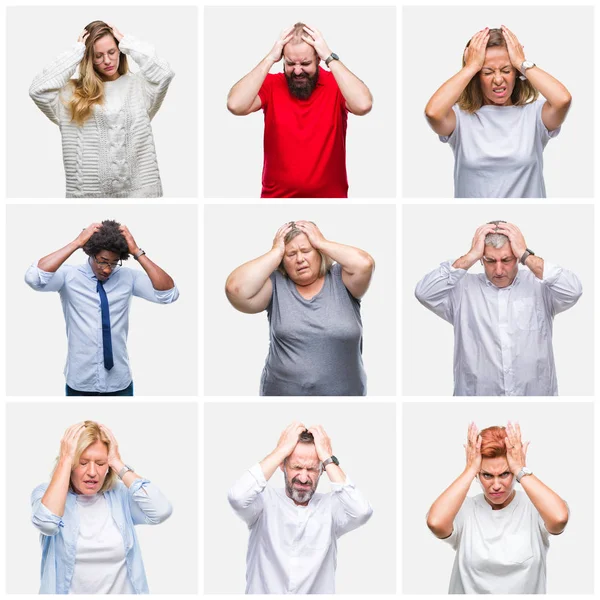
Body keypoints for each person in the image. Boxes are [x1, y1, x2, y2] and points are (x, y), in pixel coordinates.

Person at [415, 221, 582, 396]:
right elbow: (424, 292)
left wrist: (526, 255)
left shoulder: (539, 286)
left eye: (507, 260)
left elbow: (573, 290)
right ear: (481, 259)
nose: (499, 270)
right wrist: (470, 256)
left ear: (517, 257)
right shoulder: (461, 291)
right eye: (490, 261)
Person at [25, 220, 179, 395]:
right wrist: (76, 243)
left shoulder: (128, 277)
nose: (107, 269)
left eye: (114, 263)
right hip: (80, 382)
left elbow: (169, 294)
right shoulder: (69, 276)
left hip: (119, 383)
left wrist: (137, 252)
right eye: (102, 261)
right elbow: (34, 279)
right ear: (91, 254)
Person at [225, 220, 374, 395]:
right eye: (291, 254)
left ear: (319, 253)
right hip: (281, 398)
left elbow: (365, 264)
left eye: (306, 251)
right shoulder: (275, 284)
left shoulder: (342, 278)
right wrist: (276, 252)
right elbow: (235, 289)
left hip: (346, 399)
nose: (300, 259)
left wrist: (321, 242)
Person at [227, 22, 373, 198]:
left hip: (331, 200)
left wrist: (329, 56)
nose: (297, 71)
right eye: (290, 63)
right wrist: (269, 58)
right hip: (276, 199)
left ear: (318, 59)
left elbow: (363, 105)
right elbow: (235, 105)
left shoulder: (337, 85)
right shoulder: (272, 85)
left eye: (305, 63)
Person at [29, 21, 174, 198]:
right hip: (88, 196)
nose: (107, 60)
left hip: (141, 194)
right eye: (98, 56)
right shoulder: (70, 95)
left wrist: (128, 42)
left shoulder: (139, 87)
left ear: (120, 50)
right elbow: (38, 90)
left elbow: (165, 73)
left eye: (112, 52)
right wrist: (74, 54)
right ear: (88, 58)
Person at [425, 26, 571, 198]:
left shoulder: (534, 115)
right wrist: (470, 67)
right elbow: (433, 113)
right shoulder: (459, 119)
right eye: (487, 72)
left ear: (516, 74)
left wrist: (521, 63)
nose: (498, 79)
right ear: (476, 77)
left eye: (506, 70)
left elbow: (563, 100)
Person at [228, 422, 373, 594]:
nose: (303, 478)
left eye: (311, 469)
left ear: (322, 470)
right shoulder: (263, 502)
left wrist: (327, 457)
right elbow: (237, 497)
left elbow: (362, 511)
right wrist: (280, 451)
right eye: (296, 467)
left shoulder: (331, 508)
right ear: (282, 465)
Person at [426, 422, 568, 594]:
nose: (496, 485)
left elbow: (560, 518)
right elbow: (435, 522)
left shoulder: (534, 507)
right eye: (487, 475)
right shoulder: (466, 510)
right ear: (479, 474)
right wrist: (469, 470)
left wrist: (520, 469)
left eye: (504, 474)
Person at [31, 421, 172, 594]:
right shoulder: (45, 493)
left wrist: (117, 462)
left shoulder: (121, 495)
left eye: (100, 463)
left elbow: (161, 510)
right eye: (82, 463)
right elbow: (47, 523)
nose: (92, 472)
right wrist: (65, 460)